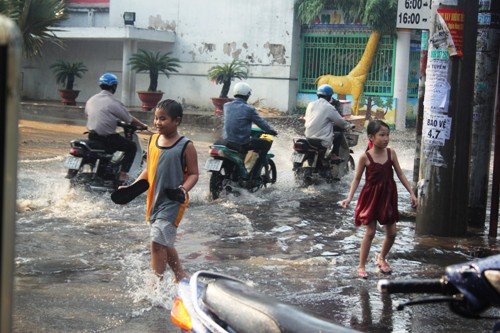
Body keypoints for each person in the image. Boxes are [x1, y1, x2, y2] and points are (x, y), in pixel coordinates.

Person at [127, 99, 199, 282]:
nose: (158, 122)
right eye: (156, 118)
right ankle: (180, 274)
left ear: (177, 121)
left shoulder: (185, 145)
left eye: (163, 119)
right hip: (154, 200)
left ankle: (156, 284)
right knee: (164, 241)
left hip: (173, 201)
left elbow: (194, 174)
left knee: (157, 243)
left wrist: (183, 189)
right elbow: (149, 169)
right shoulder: (152, 140)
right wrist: (132, 186)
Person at [340, 120, 417, 279]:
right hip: (371, 197)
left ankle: (381, 257)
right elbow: (356, 179)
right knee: (370, 232)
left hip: (388, 196)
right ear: (371, 137)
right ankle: (361, 265)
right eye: (382, 135)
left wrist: (411, 192)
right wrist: (349, 198)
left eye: (388, 135)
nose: (386, 138)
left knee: (392, 233)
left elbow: (400, 174)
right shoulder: (365, 157)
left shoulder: (391, 153)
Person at [85, 72, 148, 182]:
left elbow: (93, 115)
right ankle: (122, 175)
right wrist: (142, 125)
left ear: (101, 85)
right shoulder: (113, 102)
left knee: (108, 152)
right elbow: (129, 119)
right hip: (106, 138)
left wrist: (115, 121)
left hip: (92, 136)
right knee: (131, 147)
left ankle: (102, 173)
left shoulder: (91, 100)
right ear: (114, 86)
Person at [222, 82, 278, 175]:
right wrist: (271, 131)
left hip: (226, 141)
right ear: (247, 95)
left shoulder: (226, 106)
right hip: (240, 142)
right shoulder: (249, 109)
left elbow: (235, 120)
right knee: (266, 143)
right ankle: (255, 172)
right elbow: (261, 123)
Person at [304, 84, 353, 161]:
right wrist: (349, 125)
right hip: (321, 139)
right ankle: (334, 155)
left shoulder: (310, 104)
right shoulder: (329, 107)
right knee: (339, 135)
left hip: (308, 136)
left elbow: (307, 117)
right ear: (329, 96)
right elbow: (340, 122)